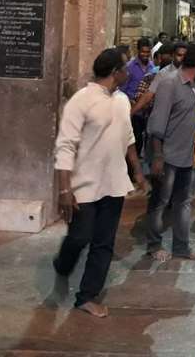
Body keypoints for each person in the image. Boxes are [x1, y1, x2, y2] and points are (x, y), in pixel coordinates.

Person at [53, 48, 147, 318]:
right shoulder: (81, 101)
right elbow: (65, 146)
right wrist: (64, 188)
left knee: (104, 242)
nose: (128, 71)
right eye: (124, 67)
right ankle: (63, 263)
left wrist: (137, 171)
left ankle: (87, 295)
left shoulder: (121, 100)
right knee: (80, 237)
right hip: (84, 185)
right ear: (115, 72)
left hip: (113, 183)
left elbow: (128, 139)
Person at [146, 43, 195, 261]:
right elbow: (157, 122)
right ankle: (154, 245)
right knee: (160, 202)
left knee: (183, 203)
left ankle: (181, 247)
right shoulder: (169, 84)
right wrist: (157, 156)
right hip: (168, 155)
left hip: (187, 155)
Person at [130, 42, 187, 118]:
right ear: (173, 55)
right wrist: (131, 113)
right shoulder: (162, 74)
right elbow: (147, 96)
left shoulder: (190, 73)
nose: (182, 59)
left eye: (185, 56)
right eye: (179, 55)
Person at [121, 38, 155, 152]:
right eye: (142, 52)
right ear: (138, 51)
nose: (145, 55)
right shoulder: (130, 67)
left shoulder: (152, 67)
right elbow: (123, 89)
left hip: (147, 111)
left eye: (147, 52)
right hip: (133, 109)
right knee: (135, 140)